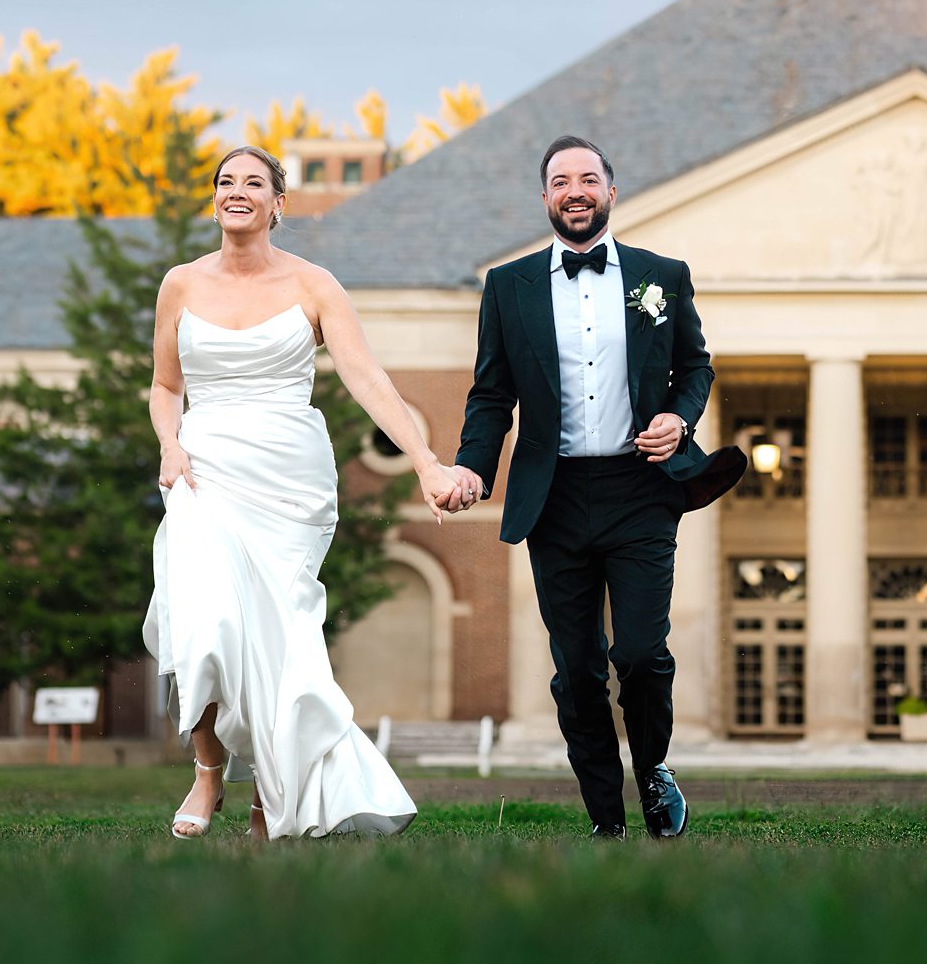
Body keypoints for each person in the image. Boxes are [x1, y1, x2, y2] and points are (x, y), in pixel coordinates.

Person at [144, 145, 472, 840]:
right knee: (203, 626)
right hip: (204, 472)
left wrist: (424, 461)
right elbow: (166, 385)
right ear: (215, 199)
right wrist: (170, 445)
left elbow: (366, 377)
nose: (238, 191)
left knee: (279, 643)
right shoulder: (180, 285)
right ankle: (207, 770)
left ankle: (273, 789)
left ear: (277, 203)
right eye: (226, 181)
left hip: (289, 481)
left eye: (254, 183)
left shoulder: (315, 285)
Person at [441, 135, 745, 838]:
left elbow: (695, 366)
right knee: (576, 671)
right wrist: (472, 470)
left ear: (611, 190)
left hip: (640, 491)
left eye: (587, 178)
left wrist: (678, 414)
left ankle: (653, 773)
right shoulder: (507, 286)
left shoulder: (660, 276)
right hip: (555, 498)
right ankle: (607, 820)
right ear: (544, 197)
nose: (574, 191)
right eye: (559, 181)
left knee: (640, 654)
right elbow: (492, 396)